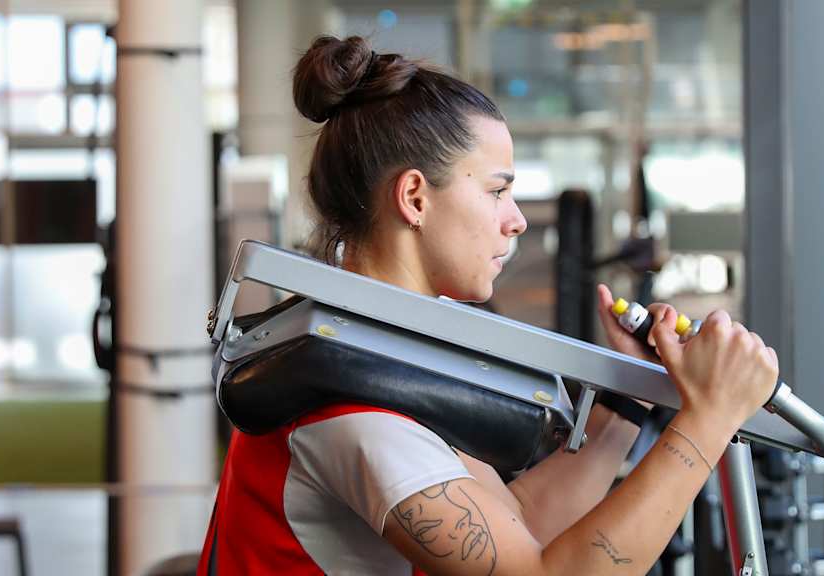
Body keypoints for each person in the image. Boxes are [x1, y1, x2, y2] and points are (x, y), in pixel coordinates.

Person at [197, 35, 778, 576]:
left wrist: (622, 404)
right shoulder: (353, 409)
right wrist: (709, 418)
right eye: (497, 191)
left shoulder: (374, 354)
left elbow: (516, 523)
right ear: (415, 198)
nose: (516, 219)